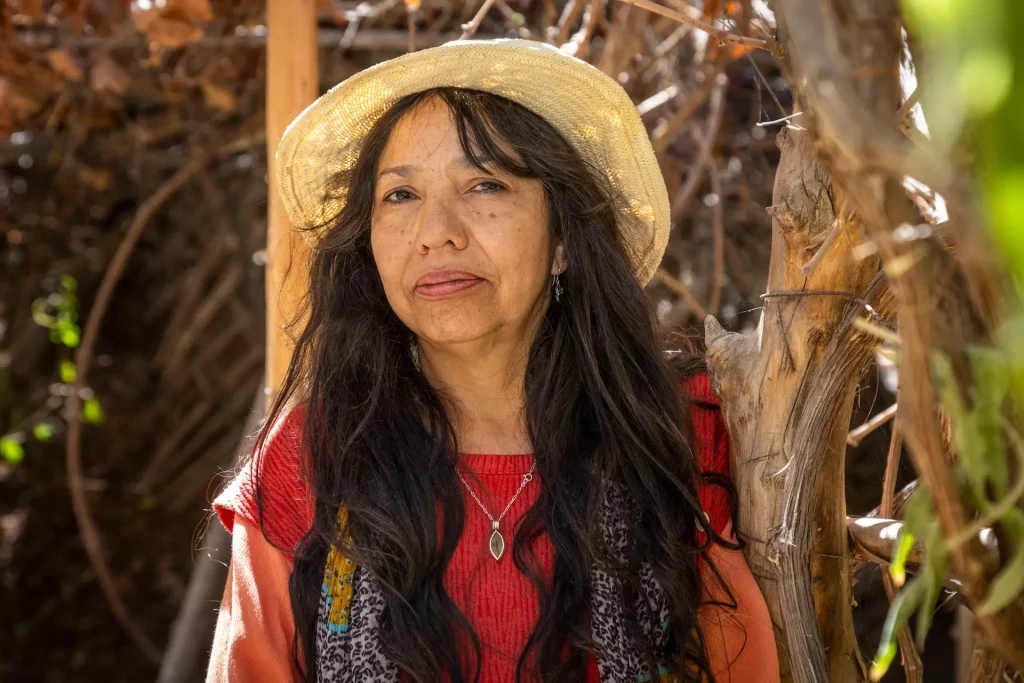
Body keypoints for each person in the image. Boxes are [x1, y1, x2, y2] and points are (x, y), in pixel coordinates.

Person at [206, 38, 779, 683]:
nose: (437, 231)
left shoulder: (679, 436)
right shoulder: (309, 459)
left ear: (562, 239)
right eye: (400, 196)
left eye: (485, 184)